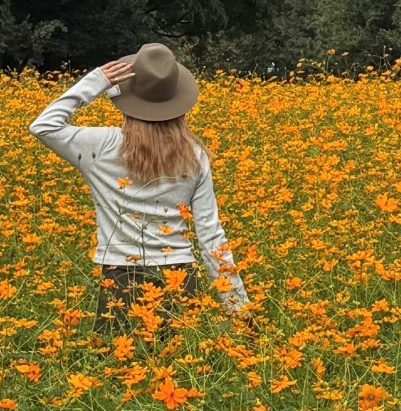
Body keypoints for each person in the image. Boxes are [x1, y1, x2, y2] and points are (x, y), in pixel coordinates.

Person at [29, 42, 250, 337]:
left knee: (117, 375)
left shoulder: (103, 145)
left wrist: (96, 81)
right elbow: (211, 236)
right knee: (180, 375)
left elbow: (43, 126)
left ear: (127, 97)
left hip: (120, 281)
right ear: (178, 101)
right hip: (180, 281)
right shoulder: (194, 155)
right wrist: (238, 308)